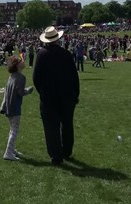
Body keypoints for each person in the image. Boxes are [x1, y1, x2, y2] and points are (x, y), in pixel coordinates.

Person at [33, 26, 80, 165]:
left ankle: (56, 155)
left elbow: (36, 78)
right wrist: (75, 94)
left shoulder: (42, 55)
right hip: (67, 97)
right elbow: (74, 76)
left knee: (51, 127)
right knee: (67, 125)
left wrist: (42, 92)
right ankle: (67, 151)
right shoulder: (66, 54)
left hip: (49, 98)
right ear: (58, 39)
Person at [0, 55, 33, 161]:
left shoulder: (12, 76)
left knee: (12, 129)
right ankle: (8, 153)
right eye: (20, 61)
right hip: (15, 106)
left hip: (8, 106)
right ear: (17, 65)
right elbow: (20, 92)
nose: (23, 62)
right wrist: (28, 91)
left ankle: (12, 149)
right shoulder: (21, 77)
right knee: (14, 130)